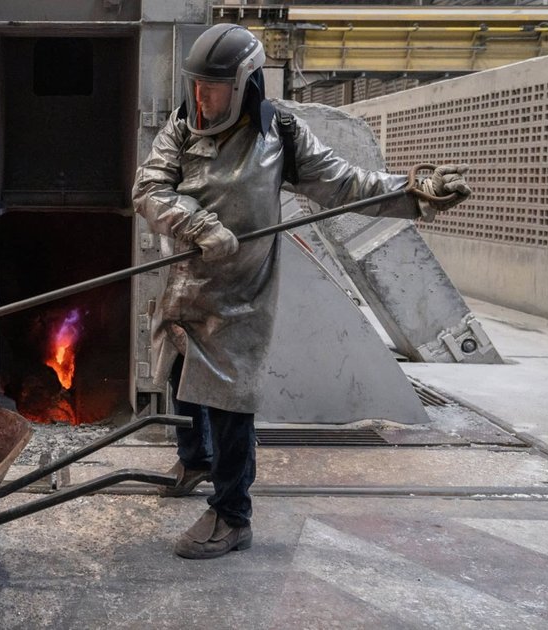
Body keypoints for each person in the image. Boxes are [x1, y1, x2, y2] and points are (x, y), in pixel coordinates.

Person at [132, 23, 471, 560]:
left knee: (228, 402)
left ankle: (231, 514)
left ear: (245, 82)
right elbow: (149, 188)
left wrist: (413, 191)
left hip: (241, 295)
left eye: (214, 88)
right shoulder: (179, 128)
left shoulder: (279, 136)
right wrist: (198, 226)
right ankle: (194, 459)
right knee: (179, 373)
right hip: (187, 281)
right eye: (196, 85)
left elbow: (344, 184)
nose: (202, 97)